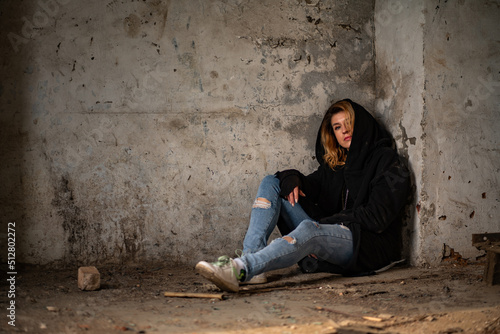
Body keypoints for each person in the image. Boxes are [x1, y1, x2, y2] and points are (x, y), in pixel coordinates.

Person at [196, 99, 410, 292]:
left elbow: (377, 217)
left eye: (349, 122)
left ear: (362, 123)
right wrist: (292, 179)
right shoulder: (336, 166)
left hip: (366, 246)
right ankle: (253, 260)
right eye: (337, 127)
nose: (344, 130)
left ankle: (241, 269)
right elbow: (306, 183)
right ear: (333, 134)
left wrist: (325, 225)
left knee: (311, 229)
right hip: (327, 232)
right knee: (272, 182)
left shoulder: (387, 161)